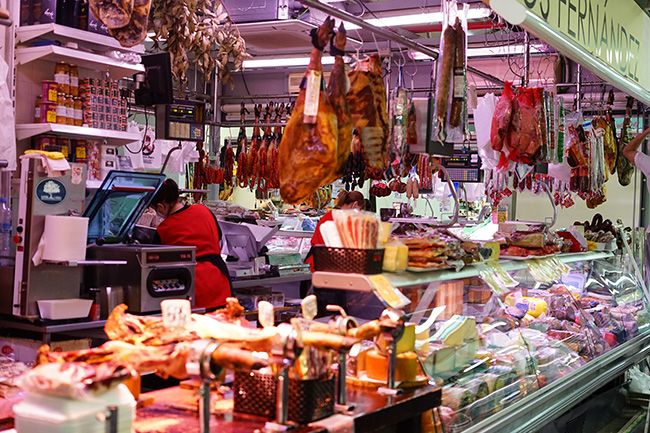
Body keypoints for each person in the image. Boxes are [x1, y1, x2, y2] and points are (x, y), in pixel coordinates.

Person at [151, 179, 232, 310]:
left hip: (193, 287)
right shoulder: (204, 210)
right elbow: (219, 237)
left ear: (161, 207)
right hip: (220, 280)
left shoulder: (164, 229)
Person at [304, 190, 365, 272]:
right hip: (325, 267)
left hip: (317, 263)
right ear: (355, 204)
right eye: (359, 210)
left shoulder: (329, 215)